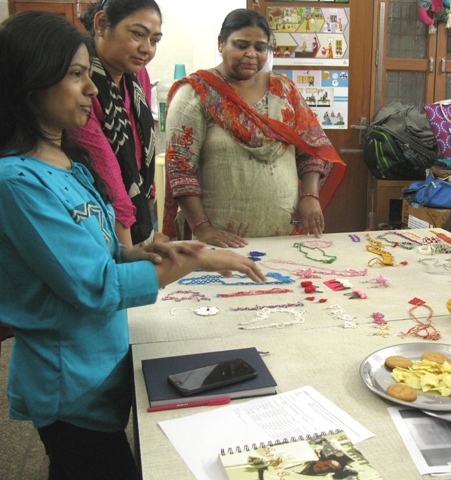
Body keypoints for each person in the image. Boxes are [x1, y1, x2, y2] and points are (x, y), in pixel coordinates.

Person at [0, 11, 265, 480]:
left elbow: (103, 251)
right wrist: (196, 260)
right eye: (76, 76)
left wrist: (151, 252)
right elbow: (95, 286)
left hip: (102, 363)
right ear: (30, 81)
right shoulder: (17, 182)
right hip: (68, 383)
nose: (90, 89)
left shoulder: (69, 163)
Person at [162, 8, 347, 248]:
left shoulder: (284, 91)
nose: (251, 54)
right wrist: (203, 228)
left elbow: (311, 148)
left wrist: (310, 195)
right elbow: (180, 168)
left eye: (260, 48)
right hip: (221, 241)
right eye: (241, 45)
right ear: (221, 43)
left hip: (285, 235)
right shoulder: (196, 93)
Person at [68, 0, 163, 249]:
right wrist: (129, 252)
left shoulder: (137, 76)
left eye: (154, 40)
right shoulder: (83, 82)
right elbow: (104, 167)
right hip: (95, 216)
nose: (147, 49)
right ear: (101, 24)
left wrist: (148, 225)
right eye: (137, 34)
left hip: (134, 211)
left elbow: (143, 151)